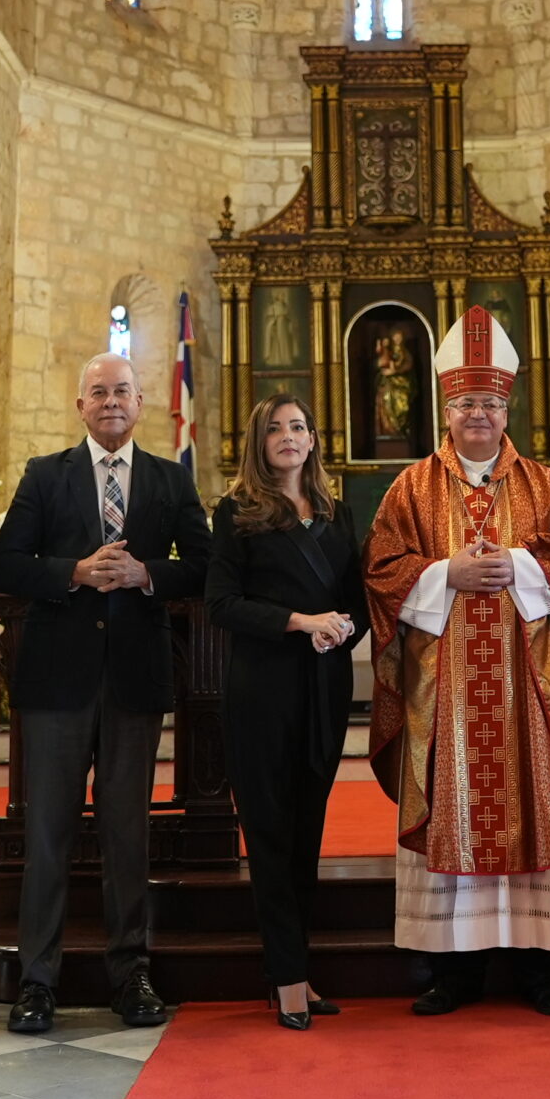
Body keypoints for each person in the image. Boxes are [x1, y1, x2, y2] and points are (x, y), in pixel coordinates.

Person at [365, 306, 550, 1017]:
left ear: (507, 408)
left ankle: (537, 969)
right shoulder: (409, 489)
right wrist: (445, 576)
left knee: (529, 806)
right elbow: (380, 567)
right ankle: (451, 971)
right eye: (467, 402)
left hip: (528, 693)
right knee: (449, 804)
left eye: (491, 403)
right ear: (446, 405)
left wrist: (520, 565)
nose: (479, 415)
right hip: (445, 698)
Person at [0, 353, 213, 1035]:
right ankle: (37, 982)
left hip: (134, 683)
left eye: (122, 391)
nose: (110, 401)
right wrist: (76, 572)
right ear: (79, 405)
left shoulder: (172, 479)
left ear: (141, 403)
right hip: (57, 682)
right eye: (98, 392)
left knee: (126, 835)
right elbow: (4, 562)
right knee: (50, 836)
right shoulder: (44, 475)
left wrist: (149, 575)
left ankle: (130, 973)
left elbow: (205, 565)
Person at [206, 394, 367, 1030]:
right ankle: (289, 977)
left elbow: (356, 603)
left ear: (313, 439)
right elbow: (221, 604)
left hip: (322, 691)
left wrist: (339, 630)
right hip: (261, 691)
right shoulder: (237, 513)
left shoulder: (336, 513)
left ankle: (293, 965)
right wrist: (301, 623)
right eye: (274, 428)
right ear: (258, 441)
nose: (288, 436)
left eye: (298, 426)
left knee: (306, 836)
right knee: (270, 835)